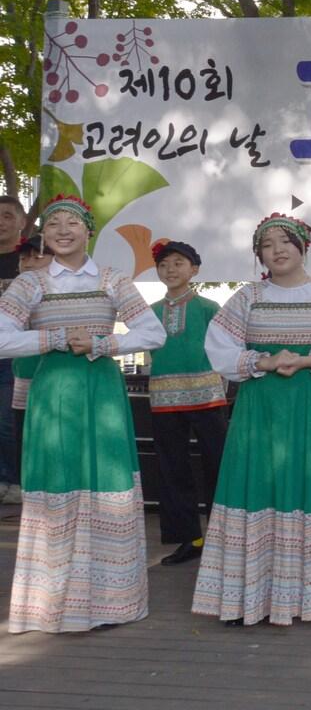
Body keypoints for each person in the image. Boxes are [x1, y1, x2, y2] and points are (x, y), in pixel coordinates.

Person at [193, 213, 311, 629]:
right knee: (261, 487)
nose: (277, 250)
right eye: (267, 244)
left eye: (285, 241)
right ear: (259, 254)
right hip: (262, 411)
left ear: (303, 247)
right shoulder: (248, 297)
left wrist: (310, 359)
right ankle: (250, 599)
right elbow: (218, 346)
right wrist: (263, 360)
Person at [0, 194, 166, 633]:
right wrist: (52, 338)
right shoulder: (30, 284)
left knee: (104, 484)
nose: (62, 231)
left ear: (88, 230)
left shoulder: (113, 281)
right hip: (53, 394)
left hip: (101, 393)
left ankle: (111, 602)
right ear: (44, 235)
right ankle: (50, 603)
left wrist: (103, 344)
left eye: (72, 223)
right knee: (58, 484)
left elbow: (153, 332)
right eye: (54, 225)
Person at [148, 241, 229, 566]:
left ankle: (223, 534)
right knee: (172, 468)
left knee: (217, 464)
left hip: (207, 396)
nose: (171, 270)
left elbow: (226, 347)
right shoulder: (150, 312)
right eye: (164, 265)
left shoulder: (210, 308)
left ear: (194, 269)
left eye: (178, 263)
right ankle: (189, 538)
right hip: (164, 399)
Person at [5, 236, 51, 493]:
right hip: (22, 384)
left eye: (37, 256)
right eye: (24, 258)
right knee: (26, 444)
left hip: (56, 382)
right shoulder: (15, 297)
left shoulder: (64, 295)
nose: (29, 262)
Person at [0, 193, 25, 506]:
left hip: (17, 355)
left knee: (8, 423)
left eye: (8, 215)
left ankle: (15, 480)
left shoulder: (33, 258)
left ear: (21, 221)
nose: (1, 222)